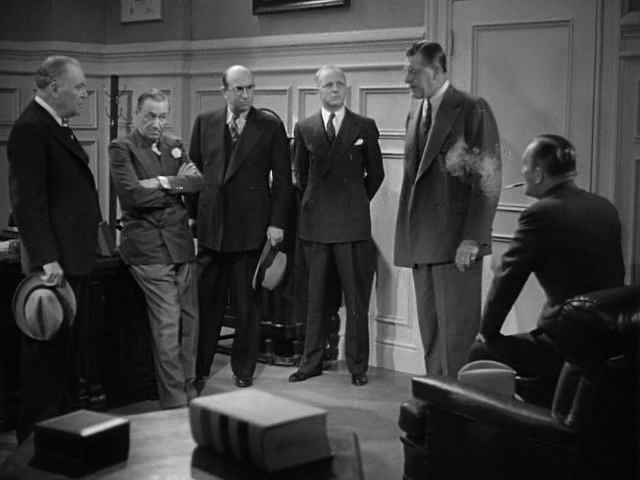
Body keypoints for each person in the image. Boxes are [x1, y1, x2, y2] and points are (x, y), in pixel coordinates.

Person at [469, 134, 625, 407]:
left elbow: (508, 278)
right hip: (610, 340)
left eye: (525, 166)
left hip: (567, 344)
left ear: (539, 174)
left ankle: (507, 428)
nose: (522, 172)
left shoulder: (541, 214)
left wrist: (487, 332)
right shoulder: (604, 207)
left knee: (481, 352)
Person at [7, 56, 101, 443]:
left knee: (65, 358)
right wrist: (47, 259)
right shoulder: (31, 128)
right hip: (54, 265)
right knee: (45, 358)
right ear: (54, 88)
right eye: (79, 87)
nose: (84, 94)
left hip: (71, 257)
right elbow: (28, 203)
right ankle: (34, 443)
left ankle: (62, 435)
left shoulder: (56, 125)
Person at [394, 41, 502, 378]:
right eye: (406, 71)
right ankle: (437, 397)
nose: (406, 79)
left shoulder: (471, 108)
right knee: (431, 334)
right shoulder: (416, 113)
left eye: (413, 72)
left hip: (457, 244)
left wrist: (472, 238)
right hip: (423, 241)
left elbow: (488, 178)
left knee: (457, 338)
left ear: (437, 70)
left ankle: (459, 403)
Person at [189, 65, 293, 388]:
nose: (246, 95)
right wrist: (192, 218)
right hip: (212, 229)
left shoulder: (269, 126)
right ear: (225, 92)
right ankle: (199, 368)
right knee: (207, 303)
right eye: (239, 89)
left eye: (250, 88)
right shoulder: (205, 122)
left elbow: (283, 180)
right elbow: (193, 173)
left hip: (250, 229)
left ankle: (243, 370)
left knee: (247, 306)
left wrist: (277, 223)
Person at [289, 65, 384, 386]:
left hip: (352, 226)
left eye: (339, 84)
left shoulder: (364, 126)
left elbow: (376, 174)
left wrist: (355, 201)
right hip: (316, 226)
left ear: (346, 88)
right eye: (328, 85)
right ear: (317, 90)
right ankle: (311, 362)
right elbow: (301, 176)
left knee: (356, 301)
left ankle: (358, 366)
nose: (334, 89)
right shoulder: (305, 128)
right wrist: (318, 203)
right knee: (314, 298)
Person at [109, 89, 204, 409]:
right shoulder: (122, 148)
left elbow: (197, 183)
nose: (157, 123)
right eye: (151, 116)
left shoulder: (174, 144)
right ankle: (175, 399)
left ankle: (189, 383)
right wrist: (176, 184)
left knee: (190, 320)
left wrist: (162, 182)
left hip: (180, 244)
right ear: (137, 115)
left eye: (163, 116)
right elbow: (133, 196)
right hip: (147, 248)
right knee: (168, 322)